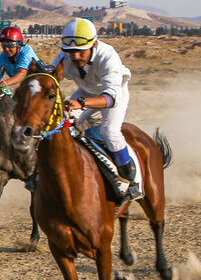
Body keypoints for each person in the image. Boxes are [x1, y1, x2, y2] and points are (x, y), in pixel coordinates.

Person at [50, 18, 141, 202]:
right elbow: (49, 77)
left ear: (94, 44)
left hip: (114, 93)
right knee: (59, 125)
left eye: (80, 51)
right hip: (87, 90)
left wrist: (82, 104)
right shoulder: (64, 56)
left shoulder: (108, 56)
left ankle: (133, 182)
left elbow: (111, 98)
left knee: (110, 132)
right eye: (71, 52)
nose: (75, 56)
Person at [0, 26, 39, 94]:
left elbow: (22, 73)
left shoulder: (27, 52)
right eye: (4, 45)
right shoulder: (4, 55)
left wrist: (7, 82)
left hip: (40, 85)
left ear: (19, 44)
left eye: (11, 45)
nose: (6, 49)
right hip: (27, 86)